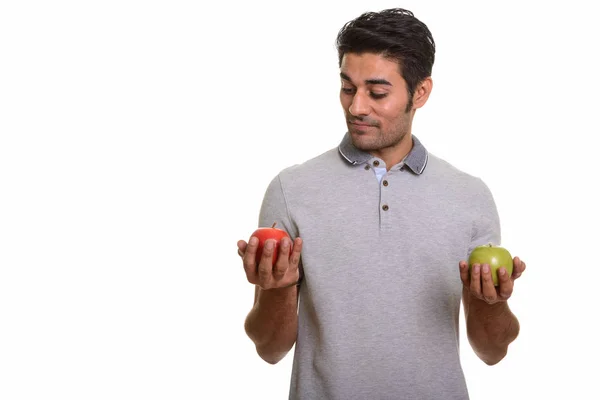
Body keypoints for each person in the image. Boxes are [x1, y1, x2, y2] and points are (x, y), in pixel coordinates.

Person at [237, 8, 526, 400]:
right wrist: (279, 289)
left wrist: (492, 303)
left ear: (420, 93)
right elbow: (269, 349)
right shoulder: (292, 188)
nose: (356, 107)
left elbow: (492, 352)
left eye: (377, 92)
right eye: (347, 87)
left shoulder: (469, 196)